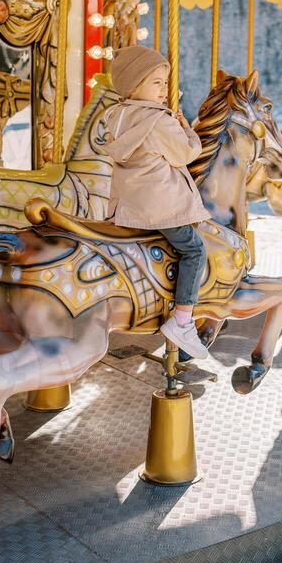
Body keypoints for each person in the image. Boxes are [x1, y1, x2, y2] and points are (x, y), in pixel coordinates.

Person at [104, 45, 210, 358]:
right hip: (161, 206)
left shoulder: (118, 116)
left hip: (128, 205)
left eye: (165, 82)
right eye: (156, 83)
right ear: (134, 85)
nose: (165, 89)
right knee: (194, 250)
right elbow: (187, 154)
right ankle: (182, 321)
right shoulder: (158, 122)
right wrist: (187, 128)